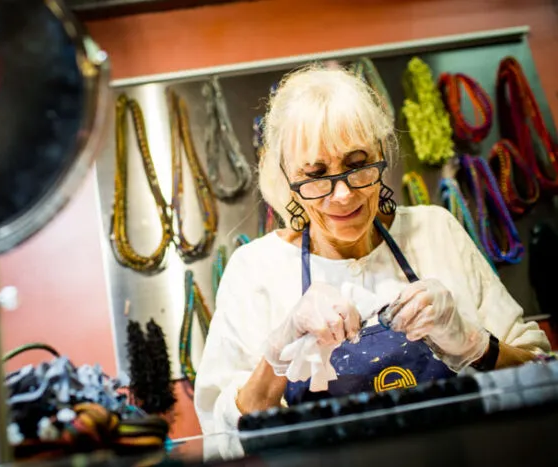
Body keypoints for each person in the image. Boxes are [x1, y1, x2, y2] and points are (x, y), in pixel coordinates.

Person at [193, 65, 550, 435]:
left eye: (358, 164)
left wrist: (475, 344)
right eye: (316, 175)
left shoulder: (435, 230)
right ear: (288, 180)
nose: (343, 194)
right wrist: (278, 355)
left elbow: (542, 376)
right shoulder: (255, 271)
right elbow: (223, 438)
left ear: (381, 152)